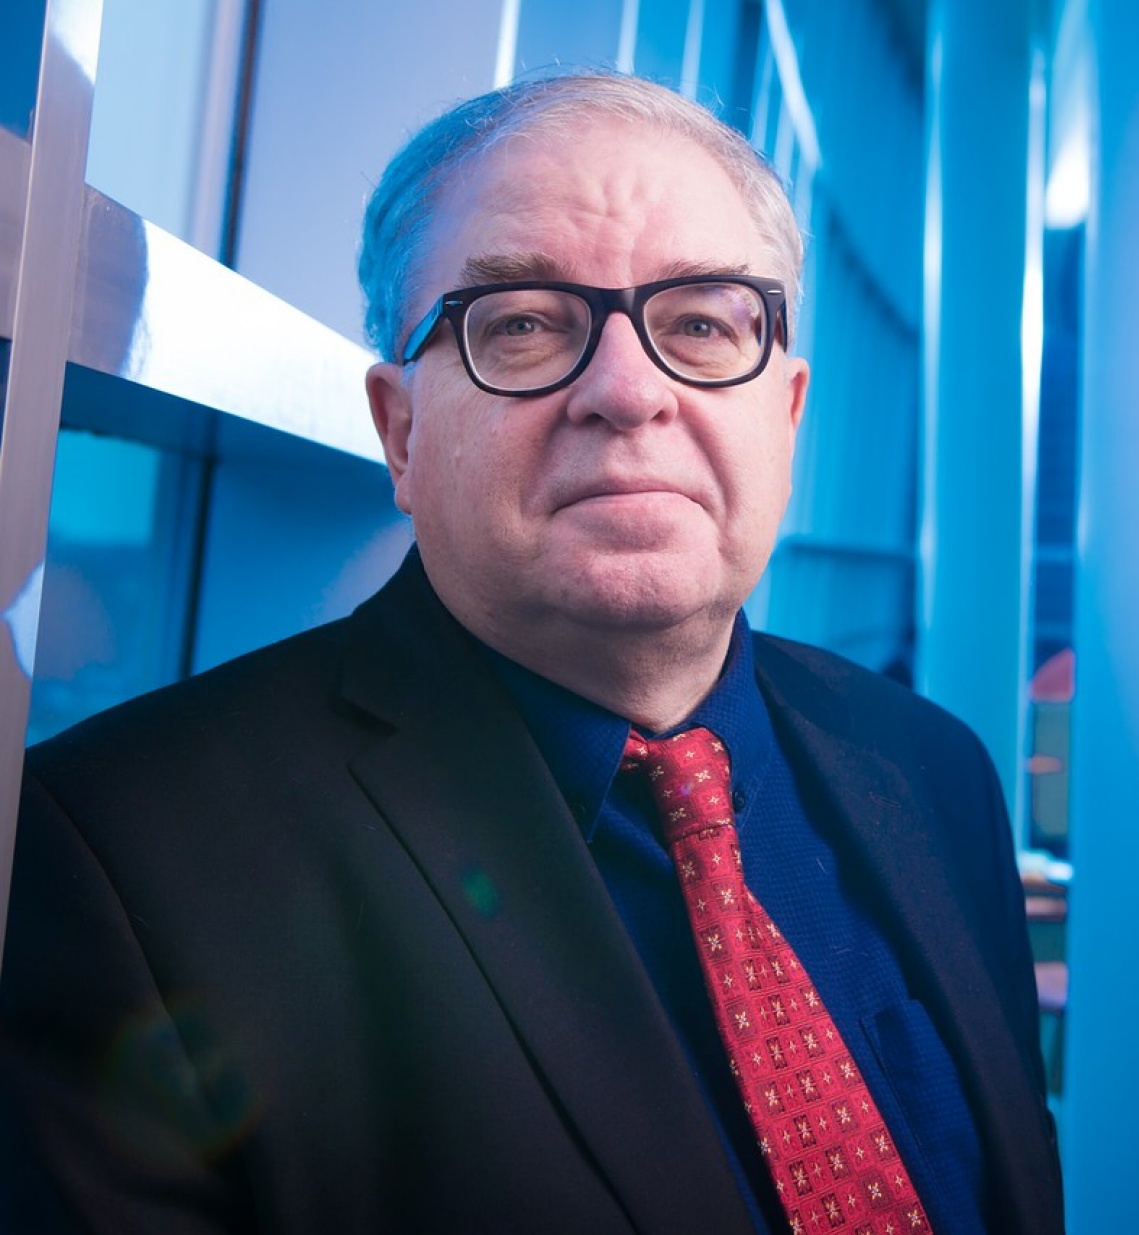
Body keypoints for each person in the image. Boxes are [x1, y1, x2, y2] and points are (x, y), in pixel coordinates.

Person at [0, 71, 1062, 1234]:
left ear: (789, 412)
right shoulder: (122, 856)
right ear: (400, 432)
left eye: (703, 323)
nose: (627, 390)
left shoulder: (931, 768)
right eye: (520, 324)